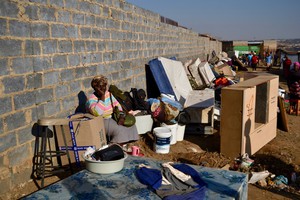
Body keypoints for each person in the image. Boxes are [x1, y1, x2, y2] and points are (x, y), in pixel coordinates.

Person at [86, 75, 139, 145]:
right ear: (96, 88)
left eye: (104, 86)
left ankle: (122, 145)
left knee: (130, 125)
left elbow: (117, 105)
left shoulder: (109, 94)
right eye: (100, 87)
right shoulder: (91, 99)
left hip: (112, 117)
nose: (103, 89)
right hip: (101, 121)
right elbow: (98, 113)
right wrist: (102, 97)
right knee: (120, 129)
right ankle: (113, 146)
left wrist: (121, 115)